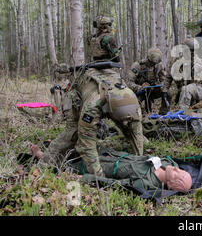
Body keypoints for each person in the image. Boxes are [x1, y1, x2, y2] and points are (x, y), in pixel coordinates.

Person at [34, 15, 144, 177]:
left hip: (106, 75)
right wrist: (99, 177)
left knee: (130, 130)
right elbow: (87, 145)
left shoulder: (130, 100)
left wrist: (141, 161)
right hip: (78, 95)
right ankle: (44, 164)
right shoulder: (94, 105)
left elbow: (136, 133)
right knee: (72, 134)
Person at [30, 146, 192, 193]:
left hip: (101, 168)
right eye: (180, 170)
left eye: (177, 173)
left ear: (170, 184)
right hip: (111, 154)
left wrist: (87, 179)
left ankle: (42, 156)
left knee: (69, 165)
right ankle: (51, 150)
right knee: (78, 148)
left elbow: (116, 184)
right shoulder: (168, 164)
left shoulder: (145, 183)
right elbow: (172, 163)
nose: (176, 169)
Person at [126, 48, 171, 115]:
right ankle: (140, 116)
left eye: (155, 63)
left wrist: (162, 86)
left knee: (167, 93)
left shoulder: (158, 66)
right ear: (149, 57)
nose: (153, 64)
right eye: (152, 62)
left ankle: (163, 114)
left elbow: (163, 79)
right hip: (140, 92)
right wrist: (140, 87)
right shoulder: (137, 66)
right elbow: (129, 82)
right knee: (137, 104)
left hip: (153, 89)